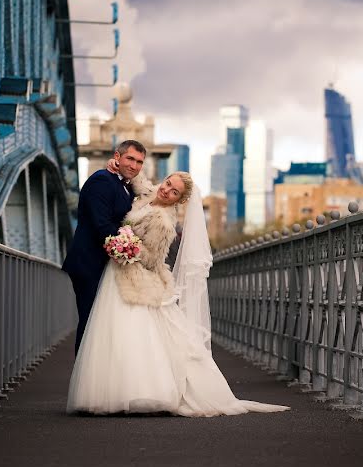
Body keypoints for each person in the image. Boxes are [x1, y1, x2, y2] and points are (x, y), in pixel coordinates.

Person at [67, 170, 289, 417]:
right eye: (168, 183)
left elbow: (152, 260)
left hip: (136, 277)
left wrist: (127, 247)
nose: (167, 191)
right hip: (117, 274)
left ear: (179, 200)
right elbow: (139, 182)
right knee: (112, 333)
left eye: (174, 192)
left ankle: (142, 392)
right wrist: (117, 167)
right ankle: (111, 390)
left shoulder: (164, 222)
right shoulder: (149, 194)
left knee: (133, 334)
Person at [62, 140, 148, 355]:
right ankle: (83, 379)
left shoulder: (124, 185)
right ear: (117, 157)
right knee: (90, 322)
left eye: (139, 162)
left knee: (99, 324)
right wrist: (130, 247)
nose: (134, 166)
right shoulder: (101, 180)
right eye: (130, 158)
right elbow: (102, 225)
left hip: (104, 264)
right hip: (89, 263)